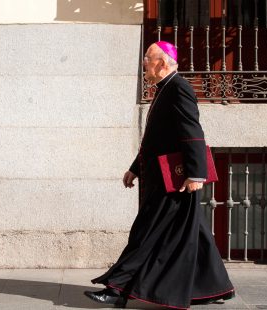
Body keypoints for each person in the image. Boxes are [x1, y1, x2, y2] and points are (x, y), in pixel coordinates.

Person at [84, 41, 235, 309]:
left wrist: (196, 174)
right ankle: (214, 286)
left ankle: (117, 288)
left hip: (175, 182)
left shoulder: (179, 89)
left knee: (145, 234)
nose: (144, 63)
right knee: (195, 234)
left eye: (148, 58)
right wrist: (135, 168)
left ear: (163, 63)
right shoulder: (165, 89)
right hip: (165, 178)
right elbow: (155, 139)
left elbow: (193, 132)